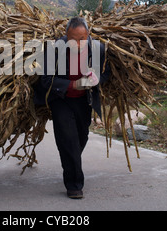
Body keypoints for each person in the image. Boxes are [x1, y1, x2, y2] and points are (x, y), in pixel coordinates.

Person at [34, 17, 111, 199]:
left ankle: (71, 162)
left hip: (84, 100)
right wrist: (73, 85)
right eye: (74, 39)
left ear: (88, 35)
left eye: (83, 38)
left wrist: (96, 79)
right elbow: (46, 79)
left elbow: (106, 72)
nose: (79, 43)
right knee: (68, 139)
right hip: (61, 99)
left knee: (81, 137)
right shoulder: (54, 50)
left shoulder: (97, 49)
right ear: (65, 36)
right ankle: (74, 185)